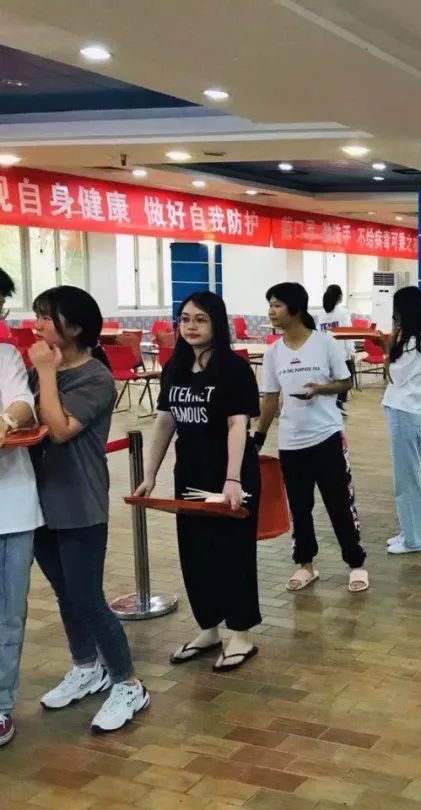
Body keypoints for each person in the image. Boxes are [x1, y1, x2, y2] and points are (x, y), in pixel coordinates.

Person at [28, 286, 148, 733]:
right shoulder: (39, 370)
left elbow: (59, 429)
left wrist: (45, 372)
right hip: (38, 500)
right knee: (65, 592)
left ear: (75, 328)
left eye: (47, 317)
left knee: (87, 597)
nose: (37, 325)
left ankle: (127, 683)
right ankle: (86, 667)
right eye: (38, 315)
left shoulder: (95, 376)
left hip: (79, 499)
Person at [134, 292, 262, 672]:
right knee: (195, 552)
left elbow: (237, 424)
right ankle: (208, 628)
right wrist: (150, 475)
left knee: (233, 552)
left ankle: (241, 634)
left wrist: (233, 478)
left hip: (230, 475)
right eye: (185, 319)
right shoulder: (174, 367)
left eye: (200, 319)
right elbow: (165, 421)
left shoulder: (233, 368)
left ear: (216, 324)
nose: (190, 326)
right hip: (190, 473)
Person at [254, 282, 368, 591]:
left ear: (295, 309)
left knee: (339, 503)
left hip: (327, 436)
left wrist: (321, 389)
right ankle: (305, 565)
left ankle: (356, 564)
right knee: (300, 507)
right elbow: (271, 398)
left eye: (277, 305)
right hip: (291, 442)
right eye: (270, 305)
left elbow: (345, 382)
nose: (271, 311)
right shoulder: (273, 352)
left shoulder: (325, 343)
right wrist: (259, 436)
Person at [0, 267, 43, 747]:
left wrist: (6, 420)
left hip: (10, 507)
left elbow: (22, 405)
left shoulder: (6, 355)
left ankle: (0, 704)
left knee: (8, 613)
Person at [382, 287, 421, 555]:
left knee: (408, 478)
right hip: (401, 411)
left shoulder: (417, 340)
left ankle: (415, 539)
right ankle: (409, 531)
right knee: (405, 477)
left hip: (405, 412)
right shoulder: (413, 339)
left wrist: (388, 350)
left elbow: (395, 374)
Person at [316, 284, 354, 414]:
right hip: (341, 352)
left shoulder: (321, 313)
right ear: (339, 296)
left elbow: (319, 333)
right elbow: (348, 333)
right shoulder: (343, 312)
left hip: (325, 352)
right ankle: (339, 403)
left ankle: (330, 404)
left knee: (329, 379)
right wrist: (351, 351)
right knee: (345, 379)